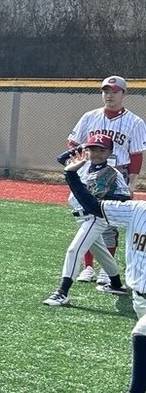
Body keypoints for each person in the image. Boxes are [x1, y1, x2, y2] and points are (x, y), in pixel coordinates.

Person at [62, 148, 146, 393]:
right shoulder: (137, 210)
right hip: (139, 297)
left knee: (142, 333)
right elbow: (94, 207)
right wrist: (71, 177)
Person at [68, 75, 146, 285]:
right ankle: (89, 267)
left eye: (114, 91)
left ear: (124, 94)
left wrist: (132, 183)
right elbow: (73, 143)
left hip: (116, 174)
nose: (109, 95)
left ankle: (106, 270)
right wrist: (79, 166)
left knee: (109, 222)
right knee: (86, 218)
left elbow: (137, 154)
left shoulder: (135, 122)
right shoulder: (89, 117)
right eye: (105, 91)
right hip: (90, 172)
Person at [44, 131, 131, 305]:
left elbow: (125, 196)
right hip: (81, 218)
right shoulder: (82, 165)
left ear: (110, 152)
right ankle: (115, 284)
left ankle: (62, 292)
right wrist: (83, 148)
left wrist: (102, 201)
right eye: (93, 149)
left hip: (95, 217)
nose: (97, 154)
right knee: (102, 253)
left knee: (73, 250)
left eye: (102, 150)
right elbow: (61, 158)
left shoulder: (113, 173)